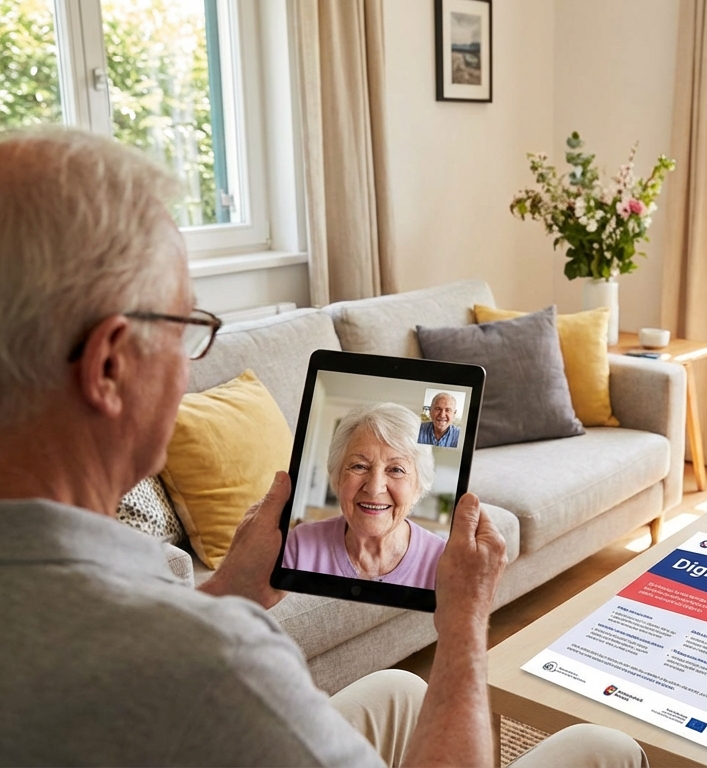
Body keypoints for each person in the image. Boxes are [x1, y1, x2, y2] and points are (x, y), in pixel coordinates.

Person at [0, 127, 645, 767]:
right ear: (110, 367)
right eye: (186, 327)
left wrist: (230, 588)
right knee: (604, 747)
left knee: (396, 693)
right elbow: (172, 668)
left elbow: (128, 671)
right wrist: (464, 629)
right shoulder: (218, 667)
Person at [285, 403, 447, 589]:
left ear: (418, 486)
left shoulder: (444, 562)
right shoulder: (299, 547)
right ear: (337, 477)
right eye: (359, 466)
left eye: (396, 469)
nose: (374, 488)